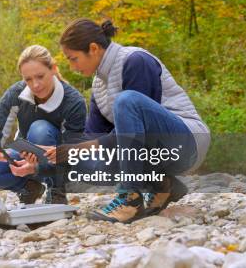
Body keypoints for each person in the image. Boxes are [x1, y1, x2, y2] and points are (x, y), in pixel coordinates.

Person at [40, 19, 210, 223]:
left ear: (93, 49)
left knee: (126, 100)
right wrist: (50, 154)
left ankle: (130, 199)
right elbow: (96, 138)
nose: (72, 66)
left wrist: (79, 148)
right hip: (156, 152)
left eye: (73, 59)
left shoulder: (135, 60)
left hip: (187, 142)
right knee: (85, 161)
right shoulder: (99, 84)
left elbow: (142, 132)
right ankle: (163, 185)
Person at [0, 45, 87, 204]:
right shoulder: (16, 93)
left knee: (40, 129)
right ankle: (28, 187)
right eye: (28, 79)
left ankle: (56, 191)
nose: (35, 85)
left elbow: (75, 156)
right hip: (24, 156)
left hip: (59, 163)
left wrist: (37, 168)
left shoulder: (74, 102)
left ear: (53, 69)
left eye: (40, 76)